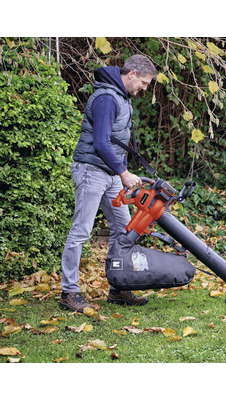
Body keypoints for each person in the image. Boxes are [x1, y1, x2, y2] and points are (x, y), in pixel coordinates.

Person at [59, 54, 157, 312]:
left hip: (111, 174)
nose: (145, 89)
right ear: (132, 74)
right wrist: (123, 173)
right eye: (145, 83)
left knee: (124, 230)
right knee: (81, 231)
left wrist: (120, 172)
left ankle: (118, 287)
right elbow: (101, 143)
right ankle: (69, 292)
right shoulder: (106, 98)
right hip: (91, 170)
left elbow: (115, 142)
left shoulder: (122, 97)